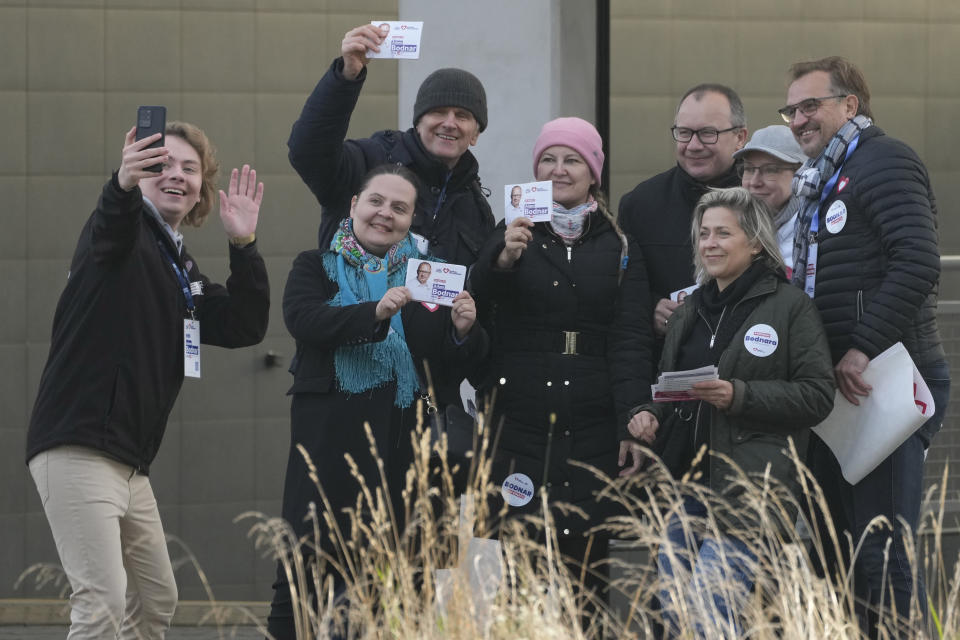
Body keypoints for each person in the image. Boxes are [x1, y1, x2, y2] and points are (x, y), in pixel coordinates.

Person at [26, 121, 270, 639]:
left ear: (203, 188)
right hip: (79, 446)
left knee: (156, 598)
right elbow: (111, 226)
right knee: (103, 602)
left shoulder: (180, 264)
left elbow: (243, 325)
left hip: (130, 463)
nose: (177, 176)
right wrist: (121, 184)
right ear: (140, 173)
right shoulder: (121, 234)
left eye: (190, 168)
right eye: (162, 165)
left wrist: (244, 244)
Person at [268, 165, 488, 640]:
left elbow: (445, 363)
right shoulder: (315, 265)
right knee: (303, 585)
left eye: (399, 207)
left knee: (402, 595)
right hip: (328, 456)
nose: (385, 214)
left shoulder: (429, 277)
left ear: (412, 219)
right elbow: (306, 320)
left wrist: (463, 331)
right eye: (376, 202)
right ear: (354, 206)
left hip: (405, 456)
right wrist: (376, 311)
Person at [784, 56, 949, 635]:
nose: (799, 119)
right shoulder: (824, 176)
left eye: (812, 105)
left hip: (884, 378)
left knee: (881, 549)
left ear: (850, 105)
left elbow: (919, 261)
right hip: (839, 389)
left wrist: (862, 346)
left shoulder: (885, 159)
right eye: (792, 109)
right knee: (837, 549)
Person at [629, 187, 834, 635]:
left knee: (708, 614)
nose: (710, 244)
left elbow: (818, 396)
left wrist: (738, 395)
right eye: (704, 234)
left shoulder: (789, 307)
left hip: (748, 492)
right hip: (683, 488)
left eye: (723, 233)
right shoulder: (689, 310)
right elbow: (669, 391)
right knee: (677, 613)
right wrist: (648, 413)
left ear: (756, 241)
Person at [471, 117, 654, 603]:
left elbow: (631, 336)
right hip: (519, 415)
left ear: (594, 170)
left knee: (586, 567)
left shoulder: (619, 245)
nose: (558, 169)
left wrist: (631, 416)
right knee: (521, 565)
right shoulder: (512, 229)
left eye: (572, 159)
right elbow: (472, 299)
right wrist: (502, 262)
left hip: (592, 418)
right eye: (548, 159)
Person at [287, 22, 495, 411]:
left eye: (463, 115)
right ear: (418, 119)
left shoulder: (475, 207)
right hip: (343, 386)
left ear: (476, 133)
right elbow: (307, 151)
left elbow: (474, 303)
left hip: (426, 402)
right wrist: (346, 76)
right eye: (437, 111)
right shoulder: (369, 161)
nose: (449, 122)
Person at [618, 84, 748, 346]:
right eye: (684, 133)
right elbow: (622, 293)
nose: (694, 145)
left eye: (708, 133)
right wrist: (651, 309)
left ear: (740, 137)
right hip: (666, 365)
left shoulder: (760, 201)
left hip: (747, 365)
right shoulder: (640, 204)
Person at [733, 125, 806, 279]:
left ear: (801, 174)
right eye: (749, 169)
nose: (754, 182)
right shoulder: (728, 226)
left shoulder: (815, 231)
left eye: (770, 170)